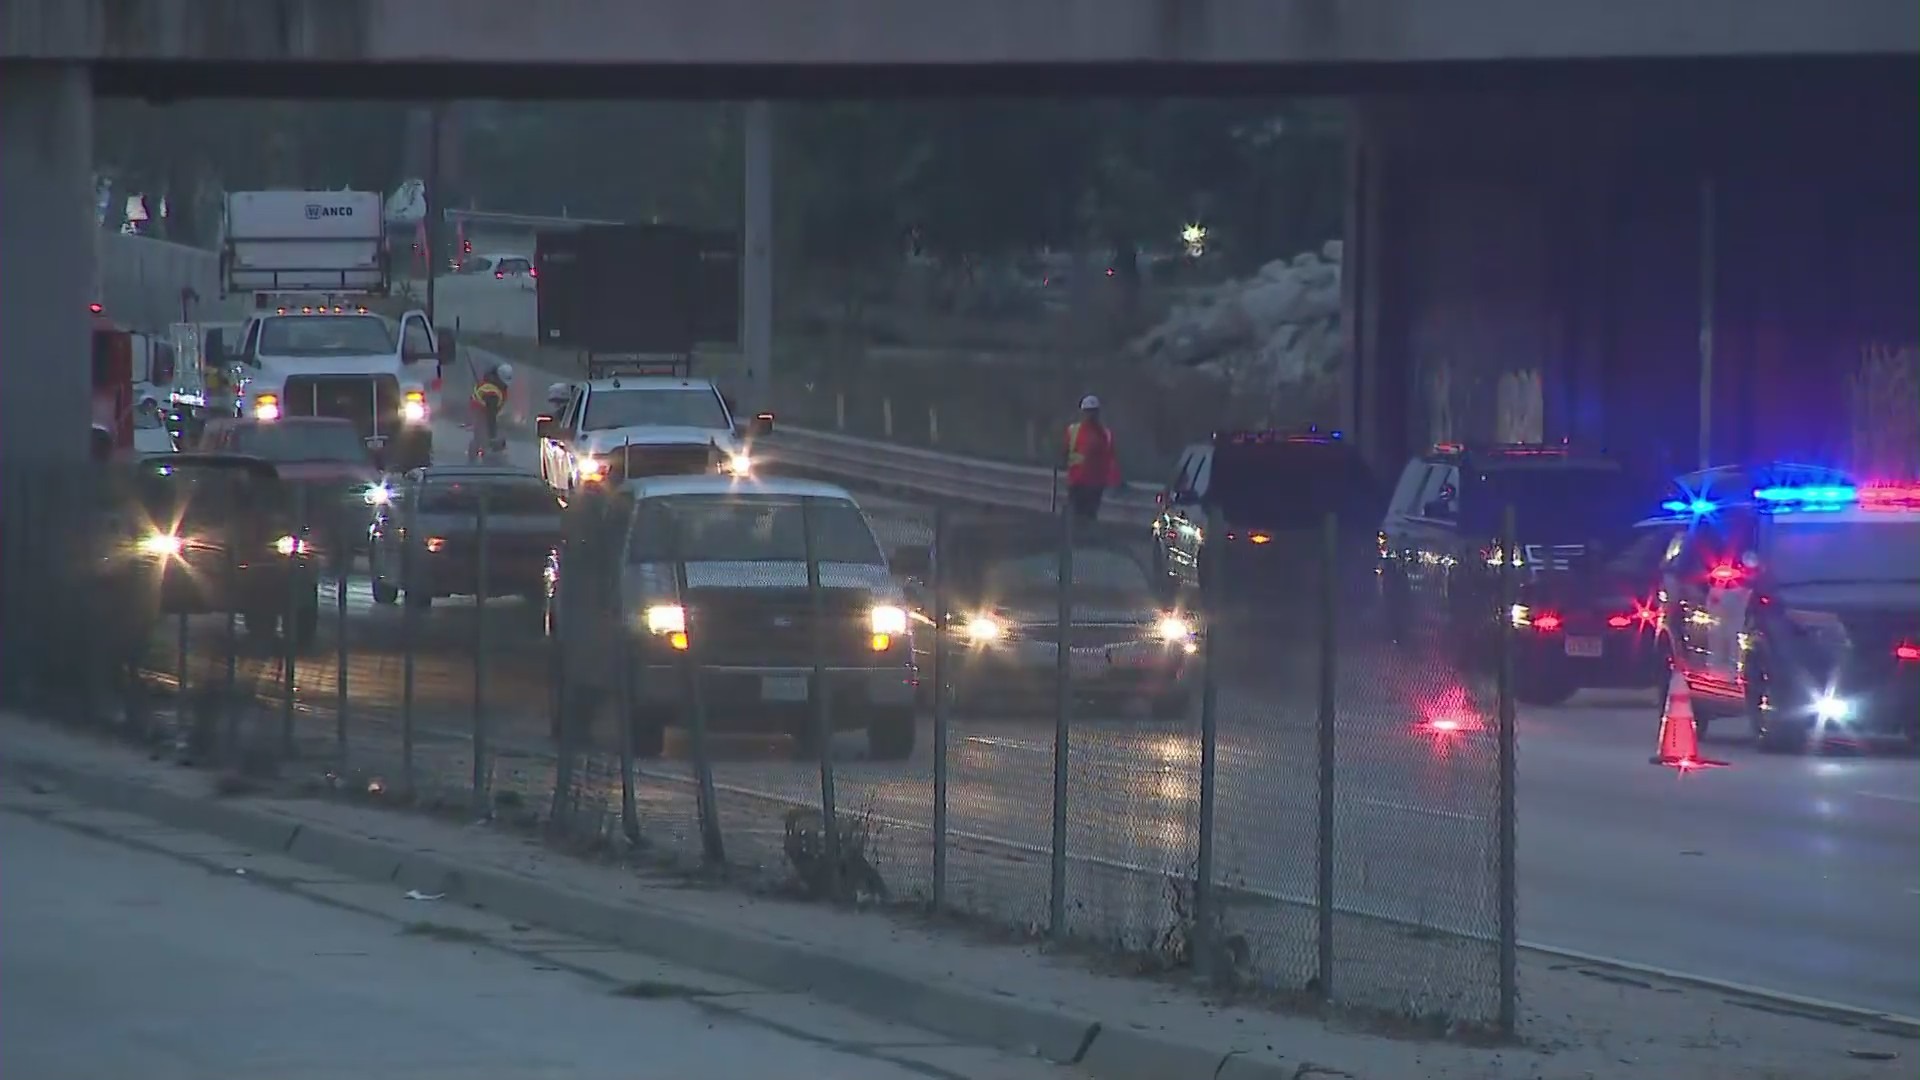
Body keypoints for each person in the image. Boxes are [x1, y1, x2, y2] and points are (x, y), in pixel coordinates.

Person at [1063, 394, 1121, 525]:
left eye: (1093, 411)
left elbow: (1111, 460)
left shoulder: (1106, 434)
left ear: (1097, 413)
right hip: (1076, 482)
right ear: (1082, 412)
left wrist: (1113, 481)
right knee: (1076, 515)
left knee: (1089, 516)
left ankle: (1085, 538)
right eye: (1088, 411)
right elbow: (1064, 453)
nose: (1090, 415)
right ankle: (1076, 537)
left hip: (1095, 484)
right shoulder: (1073, 431)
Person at [468, 362, 513, 461]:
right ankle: (485, 459)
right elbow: (490, 415)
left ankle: (477, 455)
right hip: (482, 414)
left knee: (480, 438)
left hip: (480, 413)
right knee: (483, 438)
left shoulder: (491, 385)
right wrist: (493, 434)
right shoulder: (492, 394)